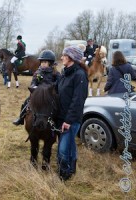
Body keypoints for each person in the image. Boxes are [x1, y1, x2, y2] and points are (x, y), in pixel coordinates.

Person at [57, 45, 88, 181]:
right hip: (62, 117)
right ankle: (71, 168)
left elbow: (78, 101)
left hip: (71, 119)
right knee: (69, 144)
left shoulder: (79, 75)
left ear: (71, 58)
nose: (62, 57)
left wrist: (68, 121)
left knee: (63, 149)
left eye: (64, 55)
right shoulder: (66, 72)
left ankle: (65, 173)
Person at [13, 50, 60, 125]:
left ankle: (59, 122)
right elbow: (33, 82)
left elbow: (58, 83)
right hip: (39, 93)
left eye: (45, 62)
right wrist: (34, 87)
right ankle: (21, 118)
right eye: (41, 62)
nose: (42, 64)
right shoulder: (38, 72)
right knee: (26, 102)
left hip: (50, 94)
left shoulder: (56, 73)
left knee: (58, 106)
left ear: (50, 63)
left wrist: (50, 87)